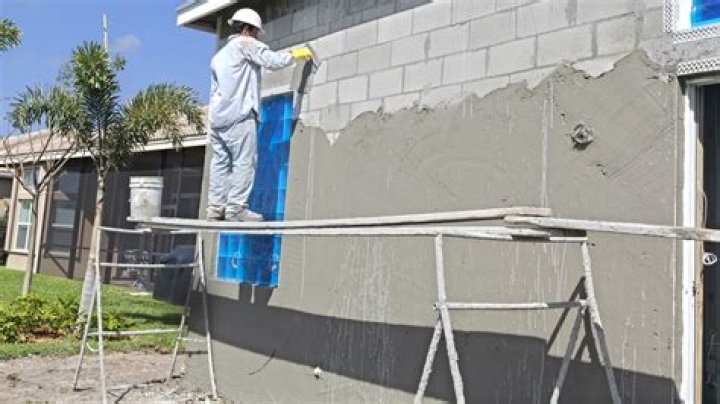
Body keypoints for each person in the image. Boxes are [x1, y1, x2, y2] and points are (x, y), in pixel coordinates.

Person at [207, 8, 313, 221]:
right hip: (239, 116)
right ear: (247, 29)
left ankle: (215, 208)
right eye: (256, 32)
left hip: (218, 120)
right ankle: (236, 208)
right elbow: (272, 61)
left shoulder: (219, 56)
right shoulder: (245, 44)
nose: (257, 37)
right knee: (244, 162)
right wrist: (294, 55)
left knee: (220, 163)